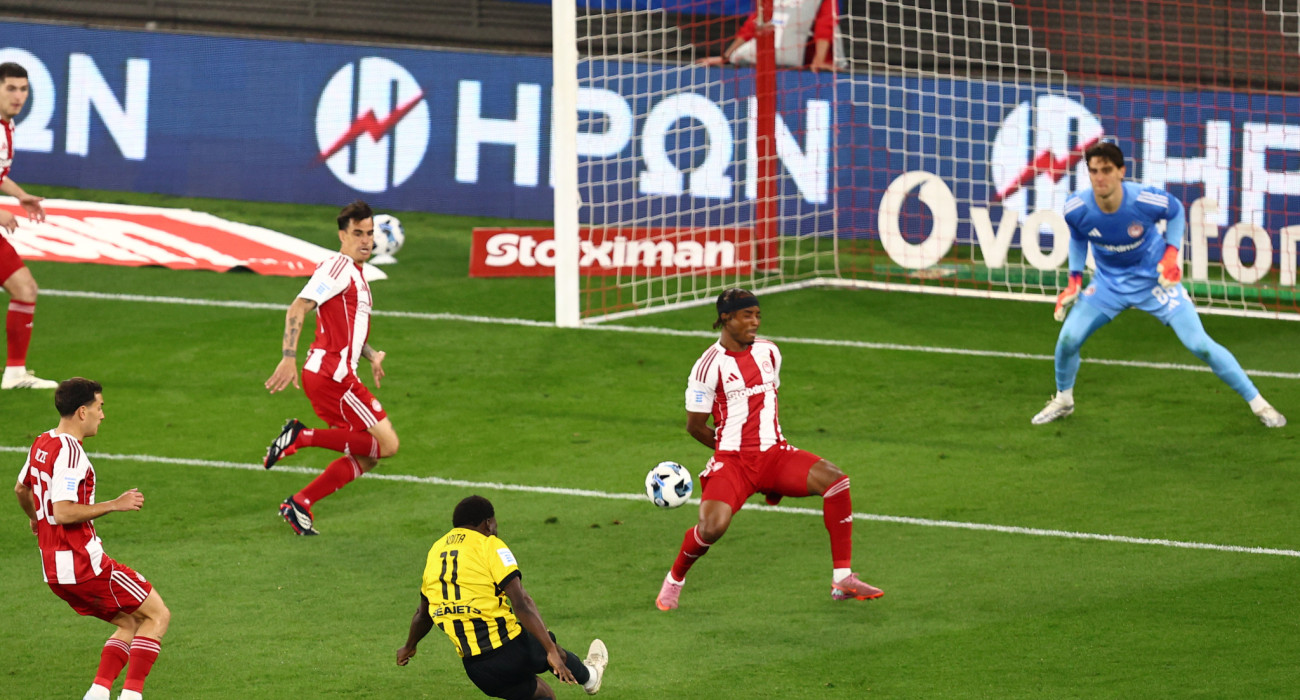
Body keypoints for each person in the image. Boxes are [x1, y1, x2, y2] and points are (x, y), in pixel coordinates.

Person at [656, 288, 884, 611]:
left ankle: (842, 579)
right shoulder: (707, 367)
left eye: (758, 315)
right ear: (726, 318)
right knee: (711, 527)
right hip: (733, 463)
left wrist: (770, 471)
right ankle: (675, 579)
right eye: (747, 315)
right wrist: (730, 449)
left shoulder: (769, 352)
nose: (755, 322)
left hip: (776, 455)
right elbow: (695, 426)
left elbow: (768, 404)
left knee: (836, 481)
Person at [1034, 140, 1286, 428]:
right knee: (1068, 339)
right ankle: (1063, 400)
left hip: (1156, 281)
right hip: (1108, 284)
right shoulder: (1076, 207)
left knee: (1199, 344)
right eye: (1093, 171)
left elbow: (1176, 211)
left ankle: (1260, 404)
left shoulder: (1143, 200)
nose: (1099, 178)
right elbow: (1078, 236)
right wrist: (1074, 279)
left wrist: (1170, 255)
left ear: (1121, 172)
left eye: (1106, 170)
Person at [14, 378, 172, 700]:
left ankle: (97, 694)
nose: (103, 415)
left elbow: (21, 489)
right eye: (100, 407)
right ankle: (132, 696)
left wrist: (35, 518)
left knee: (130, 622)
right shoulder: (71, 453)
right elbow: (63, 512)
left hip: (54, 571)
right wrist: (115, 504)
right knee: (158, 615)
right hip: (84, 565)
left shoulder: (42, 442)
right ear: (82, 412)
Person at [262, 200, 400, 535]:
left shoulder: (356, 274)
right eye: (358, 233)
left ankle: (299, 503)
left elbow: (346, 328)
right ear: (342, 235)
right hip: (333, 377)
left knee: (368, 455)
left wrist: (370, 355)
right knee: (388, 445)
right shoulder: (337, 268)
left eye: (370, 233)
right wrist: (288, 356)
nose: (366, 240)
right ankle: (301, 436)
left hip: (332, 374)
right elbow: (297, 308)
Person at [396, 495, 609, 699]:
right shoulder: (489, 544)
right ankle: (591, 677)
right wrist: (551, 650)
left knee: (542, 695)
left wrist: (409, 646)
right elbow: (522, 602)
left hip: (477, 669)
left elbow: (423, 614)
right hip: (511, 647)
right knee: (551, 649)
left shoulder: (435, 551)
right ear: (488, 523)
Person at [0, 61, 55, 390]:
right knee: (25, 288)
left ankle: (15, 374)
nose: (18, 96)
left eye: (23, 89)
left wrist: (20, 196)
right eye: (11, 88)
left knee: (25, 288)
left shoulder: (7, 125)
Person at [698, 0, 844, 71]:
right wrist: (726, 57)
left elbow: (825, 25)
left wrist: (819, 61)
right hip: (781, 63)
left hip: (811, 67)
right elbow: (755, 23)